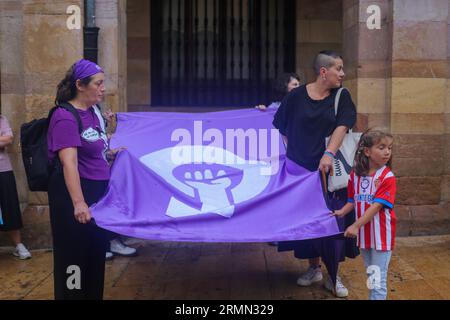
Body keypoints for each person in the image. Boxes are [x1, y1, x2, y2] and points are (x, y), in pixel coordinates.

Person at [272, 51, 358, 298]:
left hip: (331, 172)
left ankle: (334, 275)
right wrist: (293, 154)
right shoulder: (296, 97)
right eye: (338, 68)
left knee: (332, 222)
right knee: (309, 224)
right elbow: (281, 126)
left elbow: (343, 125)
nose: (342, 73)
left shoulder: (341, 96)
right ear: (323, 72)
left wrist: (329, 153)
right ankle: (314, 268)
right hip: (302, 172)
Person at [47, 59, 124, 299]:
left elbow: (95, 151)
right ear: (80, 85)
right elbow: (68, 162)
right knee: (74, 261)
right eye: (98, 84)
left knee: (94, 256)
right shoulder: (64, 117)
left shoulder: (95, 113)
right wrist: (79, 203)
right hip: (76, 196)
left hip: (98, 196)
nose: (103, 88)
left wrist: (112, 153)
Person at [332, 130, 396, 300]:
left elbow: (376, 206)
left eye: (389, 147)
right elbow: (352, 200)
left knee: (377, 279)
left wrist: (354, 225)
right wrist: (341, 212)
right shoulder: (355, 175)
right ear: (367, 151)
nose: (387, 152)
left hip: (381, 236)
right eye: (381, 147)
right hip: (365, 236)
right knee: (371, 275)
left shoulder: (387, 177)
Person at [0, 114, 32, 259]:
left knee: (9, 207)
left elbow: (8, 138)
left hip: (2, 170)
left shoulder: (1, 119)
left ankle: (18, 245)